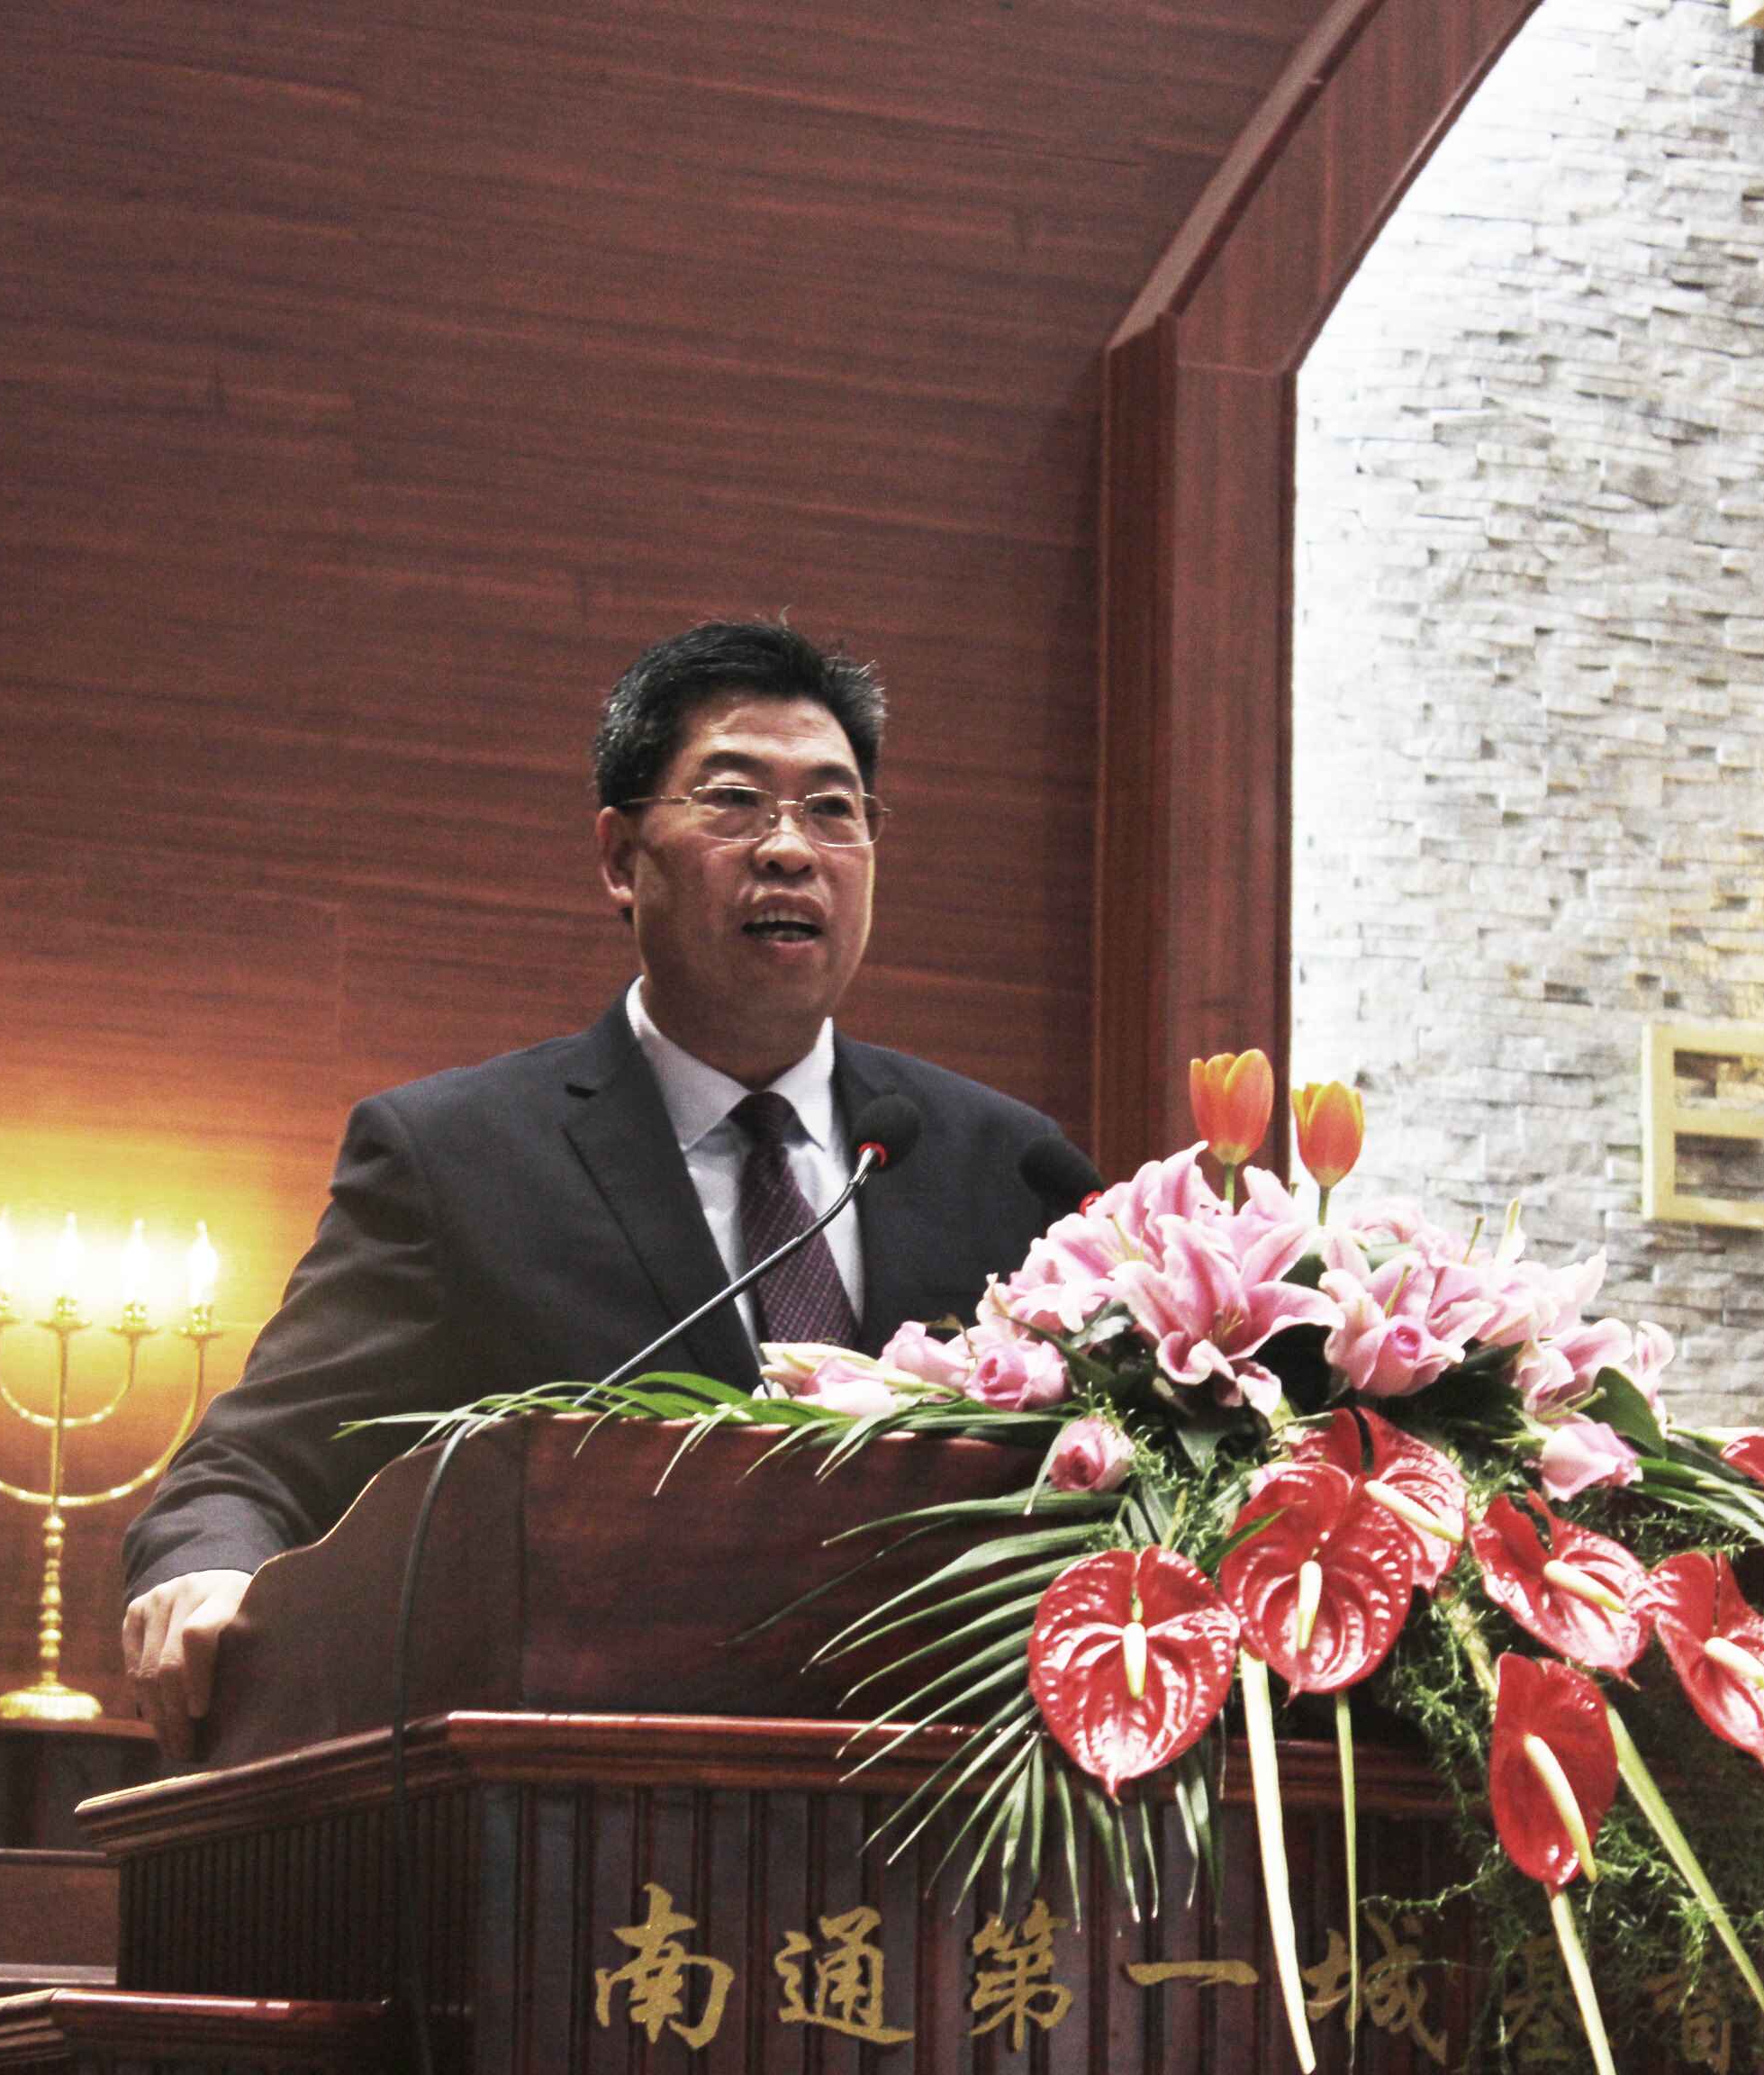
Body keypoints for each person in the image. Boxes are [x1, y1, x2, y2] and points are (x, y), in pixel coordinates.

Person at [118, 621, 1067, 1758]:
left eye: (833, 808)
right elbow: (251, 1467)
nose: (791, 850)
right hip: (578, 1812)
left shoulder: (1003, 1167)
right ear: (621, 858)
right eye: (734, 802)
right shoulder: (455, 1158)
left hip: (938, 1809)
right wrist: (209, 1571)